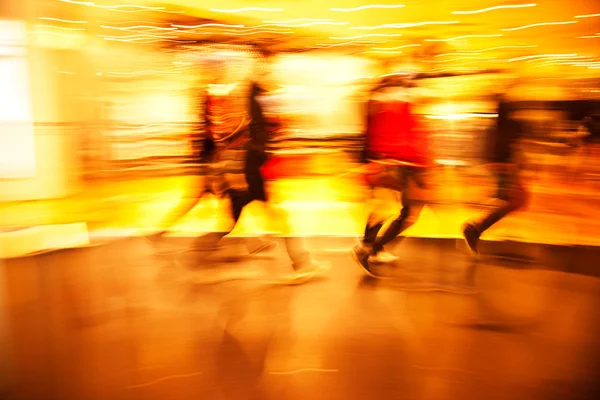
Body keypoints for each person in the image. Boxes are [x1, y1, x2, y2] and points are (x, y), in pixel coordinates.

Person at [352, 76, 430, 277]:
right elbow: (390, 136)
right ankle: (366, 247)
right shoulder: (389, 106)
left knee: (389, 207)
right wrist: (382, 160)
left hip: (395, 163)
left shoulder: (396, 106)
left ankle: (372, 248)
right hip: (389, 163)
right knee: (385, 207)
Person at [462, 91, 528, 255]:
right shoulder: (512, 126)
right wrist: (516, 166)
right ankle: (474, 228)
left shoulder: (492, 127)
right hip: (506, 168)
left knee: (507, 201)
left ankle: (476, 228)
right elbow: (516, 147)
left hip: (496, 167)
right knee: (513, 201)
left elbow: (485, 149)